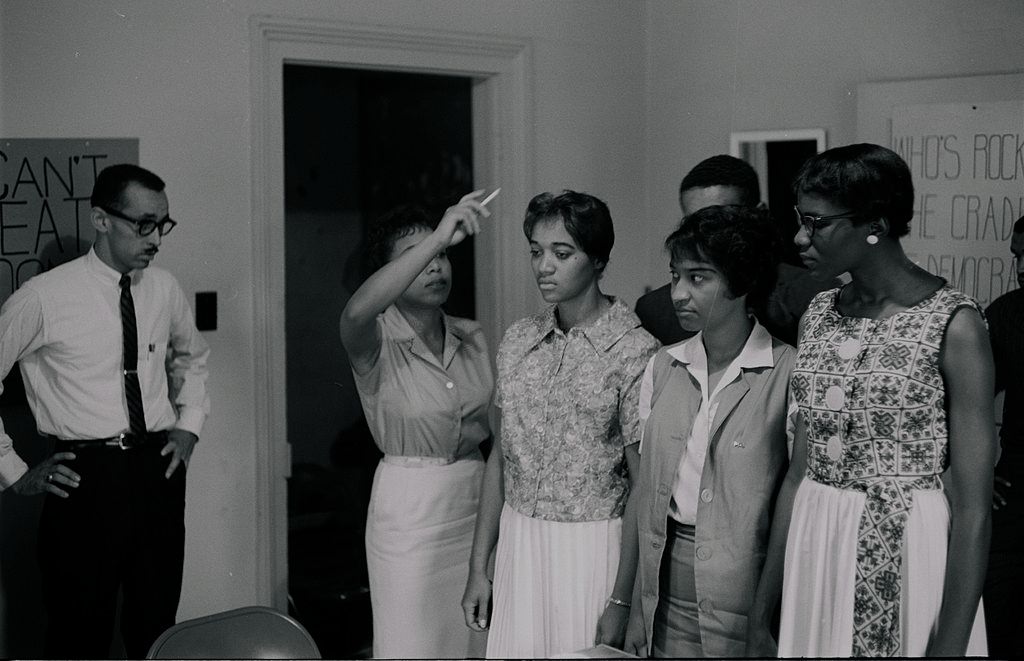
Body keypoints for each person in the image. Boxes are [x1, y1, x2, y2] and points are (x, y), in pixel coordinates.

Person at [746, 143, 992, 657]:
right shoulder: (817, 313)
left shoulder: (954, 323)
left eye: (817, 223)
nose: (800, 237)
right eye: (799, 219)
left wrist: (950, 649)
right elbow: (799, 473)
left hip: (906, 546)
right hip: (817, 543)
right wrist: (762, 610)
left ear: (874, 224)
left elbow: (973, 509)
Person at [0, 163, 210, 658]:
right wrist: (14, 472)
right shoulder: (44, 298)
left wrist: (189, 426)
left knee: (157, 626)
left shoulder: (163, 289)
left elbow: (194, 357)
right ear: (100, 219)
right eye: (143, 224)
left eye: (163, 224)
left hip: (157, 470)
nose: (156, 238)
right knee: (78, 632)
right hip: (84, 478)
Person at [461, 190, 659, 658]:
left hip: (592, 549)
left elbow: (643, 485)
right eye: (536, 251)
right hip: (520, 543)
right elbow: (500, 460)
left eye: (561, 253)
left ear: (597, 259)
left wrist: (622, 598)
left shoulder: (635, 350)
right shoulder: (518, 340)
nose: (543, 266)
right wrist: (478, 566)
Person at [623, 204, 794, 657]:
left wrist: (765, 613)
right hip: (662, 587)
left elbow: (793, 503)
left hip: (746, 591)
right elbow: (645, 492)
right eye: (676, 276)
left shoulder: (786, 373)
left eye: (698, 278)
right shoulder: (662, 366)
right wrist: (631, 604)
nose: (678, 292)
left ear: (740, 283)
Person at [339, 194, 492, 658]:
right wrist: (439, 236)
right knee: (412, 642)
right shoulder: (372, 336)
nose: (435, 266)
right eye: (417, 257)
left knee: (476, 642)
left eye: (443, 254)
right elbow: (354, 311)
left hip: (474, 496)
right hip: (409, 511)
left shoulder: (474, 334)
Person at [635, 154, 835, 346]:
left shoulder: (813, 296)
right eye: (694, 222)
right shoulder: (656, 310)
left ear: (759, 214)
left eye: (718, 219)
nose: (704, 232)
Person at [982, 215, 1024, 658]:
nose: (1023, 265)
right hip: (1016, 487)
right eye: (1016, 256)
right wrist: (978, 475)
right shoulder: (1007, 314)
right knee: (998, 611)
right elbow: (959, 404)